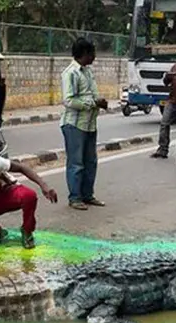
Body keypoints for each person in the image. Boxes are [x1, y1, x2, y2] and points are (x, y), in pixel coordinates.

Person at [60, 37, 109, 210]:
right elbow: (68, 100)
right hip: (74, 125)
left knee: (91, 162)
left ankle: (87, 195)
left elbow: (89, 95)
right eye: (93, 53)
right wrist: (93, 104)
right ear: (85, 53)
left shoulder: (87, 72)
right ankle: (75, 197)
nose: (94, 56)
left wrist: (99, 102)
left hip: (89, 124)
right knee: (76, 163)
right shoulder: (71, 73)